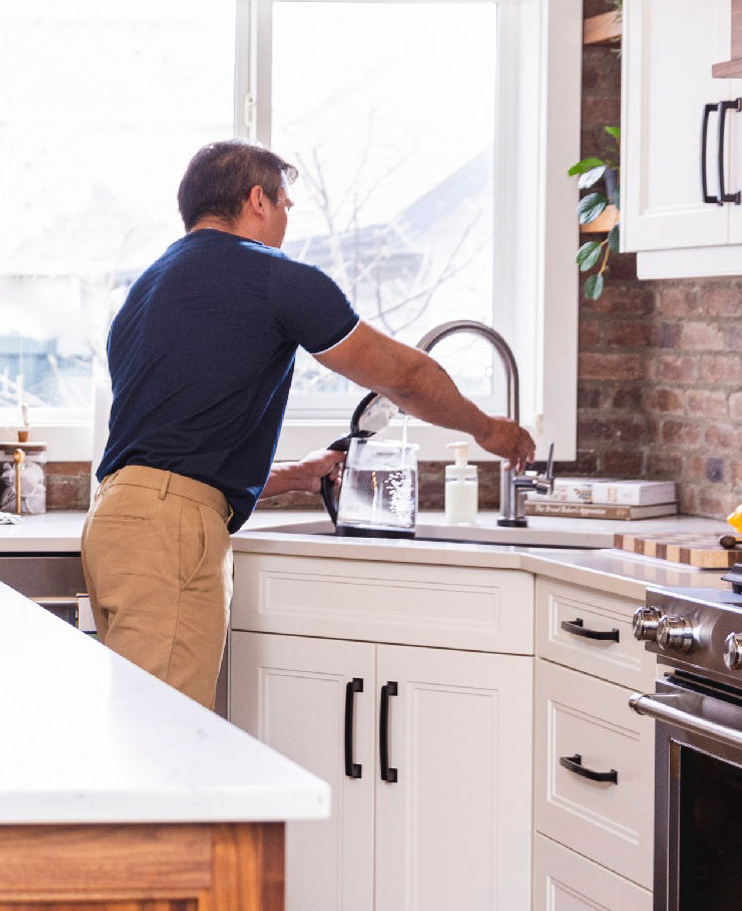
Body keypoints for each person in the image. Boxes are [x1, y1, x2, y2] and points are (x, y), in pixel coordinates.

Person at [85, 140, 537, 709]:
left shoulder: (146, 291)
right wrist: (486, 429)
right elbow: (407, 379)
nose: (285, 222)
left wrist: (296, 475)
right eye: (285, 205)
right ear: (257, 200)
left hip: (115, 524)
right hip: (168, 538)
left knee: (139, 730)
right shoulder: (273, 277)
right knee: (162, 743)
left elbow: (170, 459)